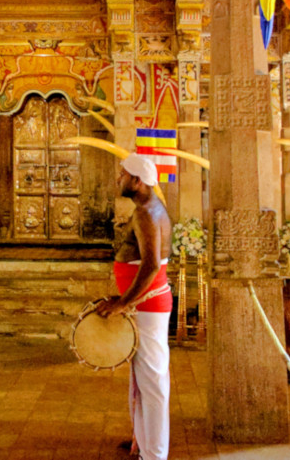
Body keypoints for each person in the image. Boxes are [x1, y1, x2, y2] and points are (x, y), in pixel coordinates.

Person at [96, 153, 172, 460]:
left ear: (136, 181)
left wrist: (121, 303)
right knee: (143, 379)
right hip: (146, 305)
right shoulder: (148, 208)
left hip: (148, 305)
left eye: (123, 175)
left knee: (152, 382)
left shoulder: (145, 213)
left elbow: (151, 265)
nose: (118, 179)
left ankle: (155, 455)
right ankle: (142, 442)